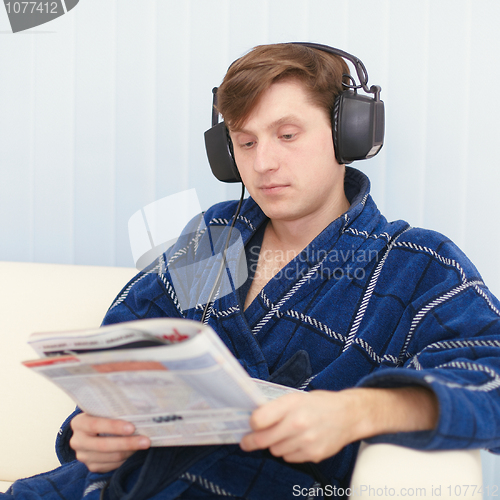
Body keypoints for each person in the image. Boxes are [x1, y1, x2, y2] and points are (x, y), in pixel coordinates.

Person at [6, 43, 500, 499]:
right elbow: (122, 361)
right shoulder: (213, 239)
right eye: (244, 143)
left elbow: (492, 378)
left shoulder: (414, 264)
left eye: (287, 135)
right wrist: (92, 432)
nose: (263, 163)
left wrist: (356, 413)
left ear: (346, 132)